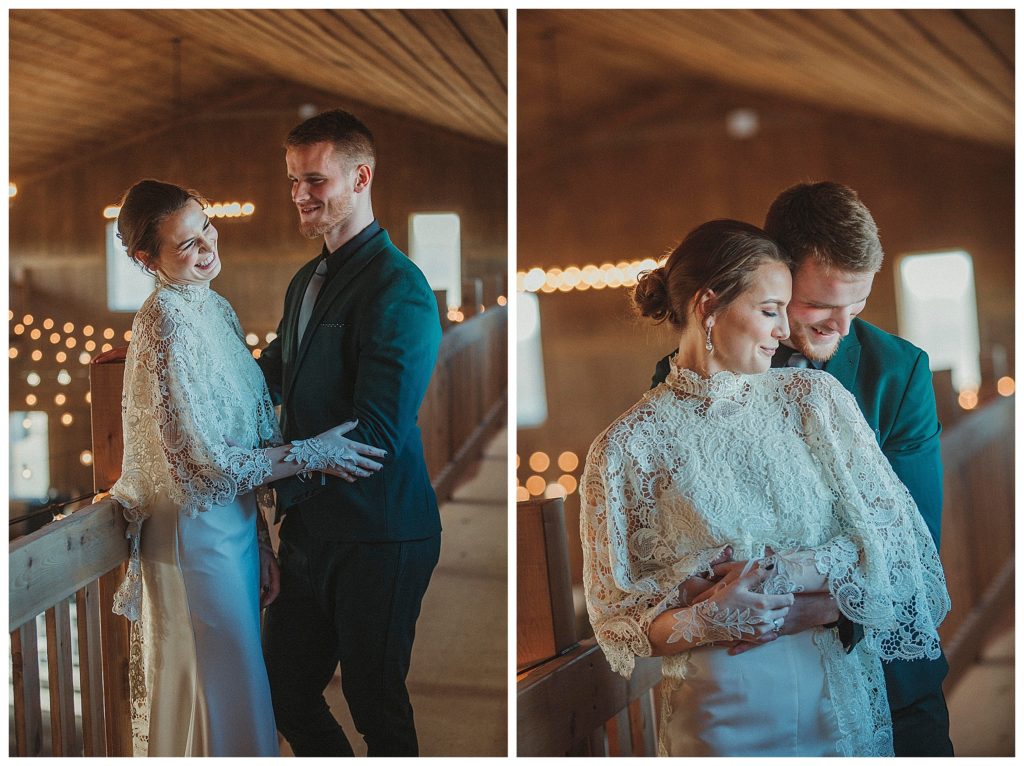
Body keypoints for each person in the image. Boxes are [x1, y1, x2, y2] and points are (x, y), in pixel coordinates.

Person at [580, 219, 950, 756]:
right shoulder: (624, 448)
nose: (783, 331)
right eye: (770, 310)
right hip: (720, 713)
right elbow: (617, 621)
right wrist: (705, 618)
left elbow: (898, 543)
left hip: (837, 696)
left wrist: (796, 571)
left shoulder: (816, 401)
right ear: (709, 305)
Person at [108, 179, 386, 757]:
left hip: (233, 524)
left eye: (206, 227)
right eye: (185, 245)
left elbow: (250, 429)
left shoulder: (215, 306)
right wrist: (316, 453)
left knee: (243, 683)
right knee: (222, 683)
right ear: (145, 258)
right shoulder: (163, 323)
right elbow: (200, 465)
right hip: (193, 533)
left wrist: (261, 540)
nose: (207, 246)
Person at [258, 109, 443, 756]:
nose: (300, 196)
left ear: (361, 176)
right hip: (308, 529)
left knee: (375, 702)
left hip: (380, 531)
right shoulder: (306, 280)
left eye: (315, 181)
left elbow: (376, 435)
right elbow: (271, 375)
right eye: (293, 181)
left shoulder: (400, 289)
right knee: (281, 688)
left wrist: (265, 464)